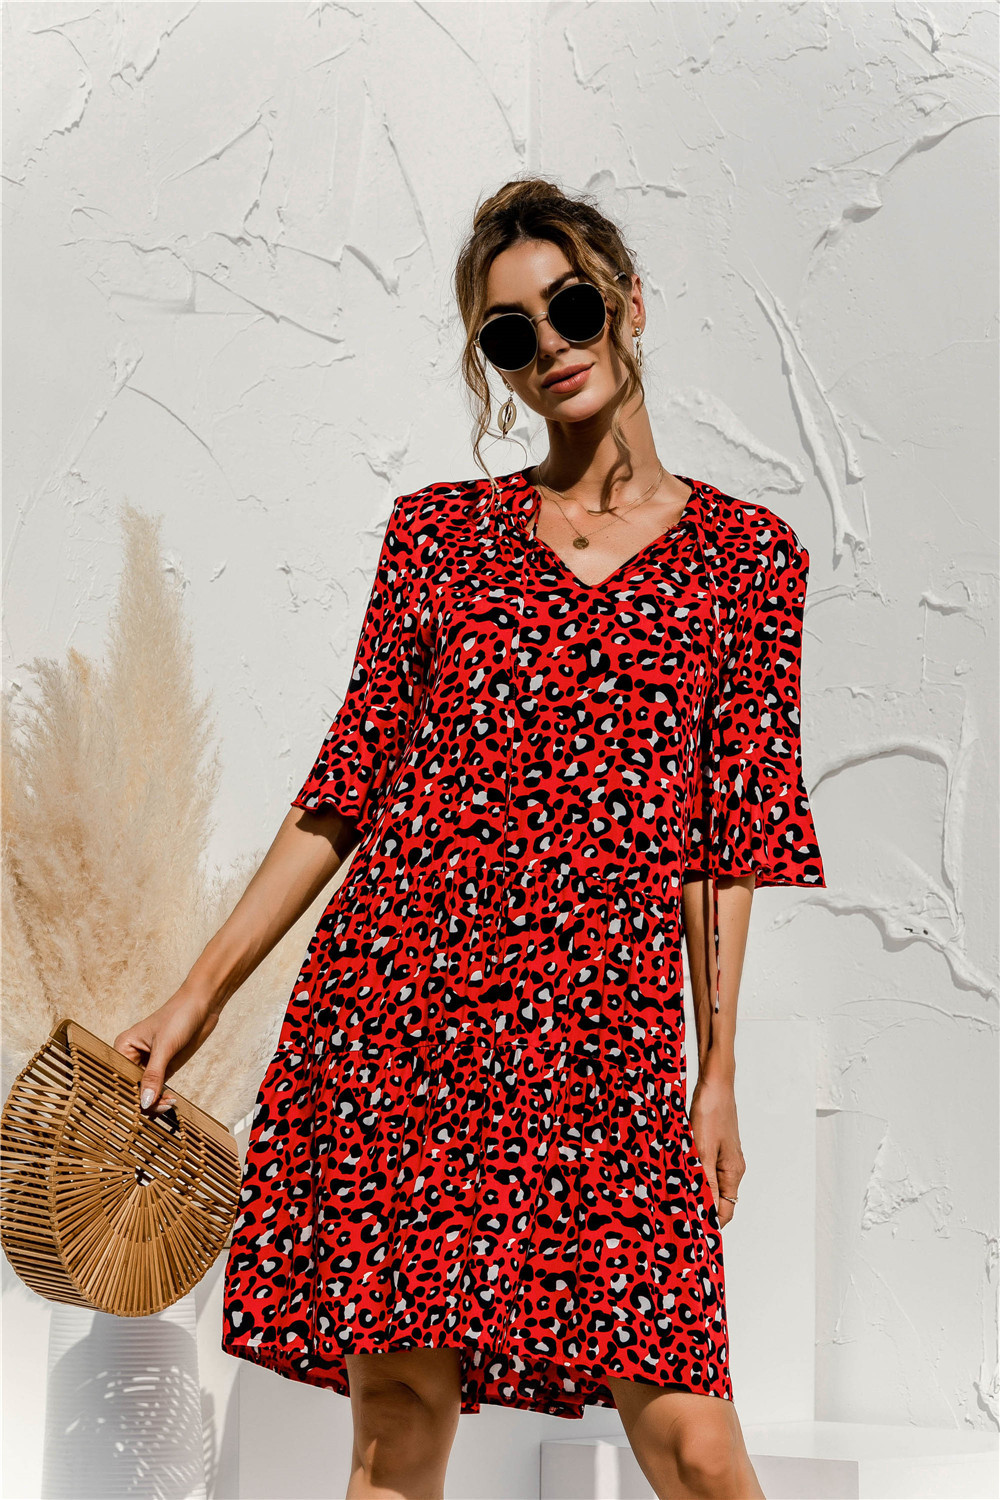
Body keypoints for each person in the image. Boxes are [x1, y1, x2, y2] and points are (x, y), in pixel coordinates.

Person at [115, 177, 826, 1500]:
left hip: (604, 1044)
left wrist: (718, 1069)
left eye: (571, 307)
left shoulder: (748, 560)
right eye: (510, 333)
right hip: (404, 1016)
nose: (550, 344)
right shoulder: (439, 538)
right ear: (492, 363)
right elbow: (344, 790)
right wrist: (197, 996)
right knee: (397, 1414)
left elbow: (731, 832)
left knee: (691, 1437)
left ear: (629, 304)